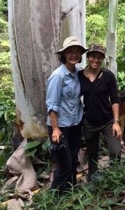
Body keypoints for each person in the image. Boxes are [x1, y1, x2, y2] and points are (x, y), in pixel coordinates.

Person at [46, 36, 87, 192]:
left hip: (75, 124)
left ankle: (70, 190)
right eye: (70, 52)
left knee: (74, 160)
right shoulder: (58, 76)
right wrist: (55, 129)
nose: (74, 55)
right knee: (65, 163)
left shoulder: (78, 73)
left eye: (77, 52)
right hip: (60, 127)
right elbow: (52, 104)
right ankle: (55, 196)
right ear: (64, 54)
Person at [78, 43, 122, 181]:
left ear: (103, 59)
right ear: (88, 57)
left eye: (99, 57)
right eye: (92, 56)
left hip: (107, 121)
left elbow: (115, 99)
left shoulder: (108, 76)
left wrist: (116, 122)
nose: (95, 60)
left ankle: (115, 178)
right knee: (92, 154)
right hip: (89, 122)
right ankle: (93, 181)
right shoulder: (79, 76)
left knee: (116, 151)